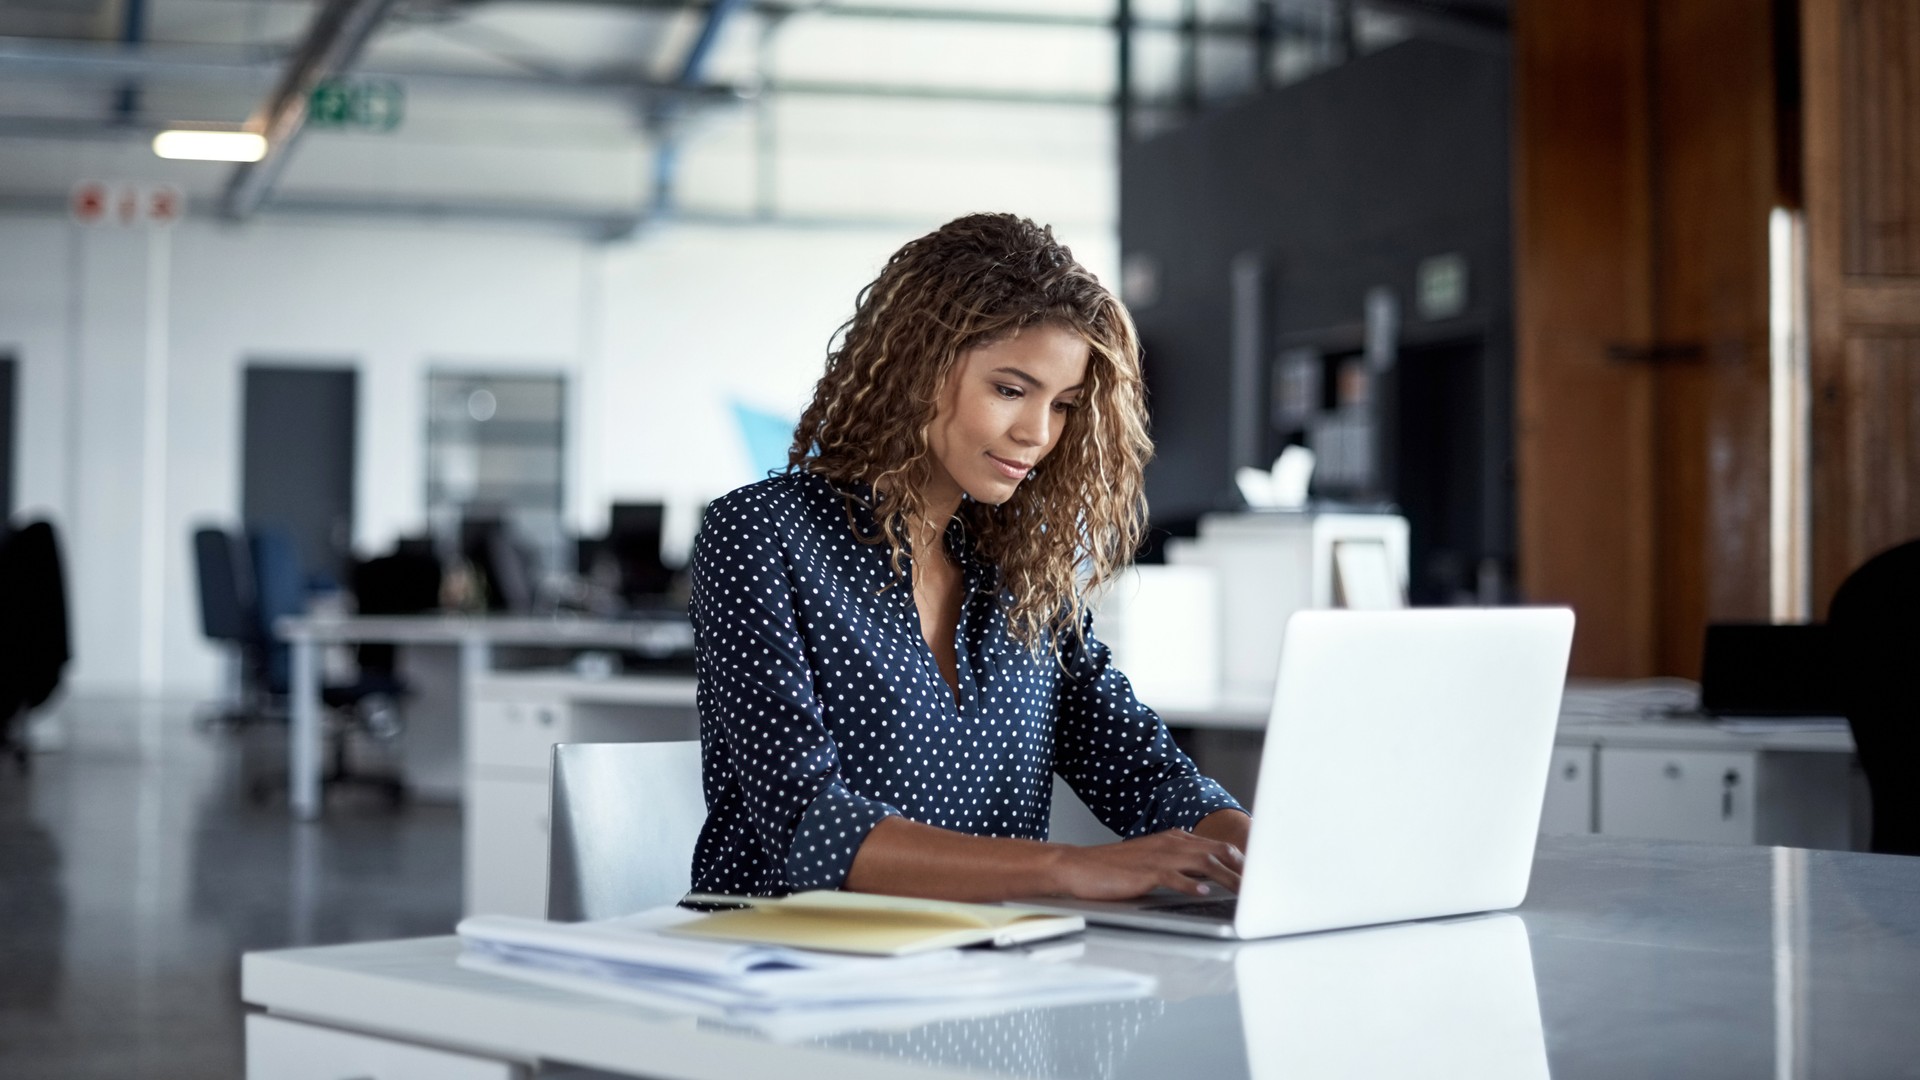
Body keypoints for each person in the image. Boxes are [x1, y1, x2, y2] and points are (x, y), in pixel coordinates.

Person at [689, 212, 1251, 902]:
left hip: (990, 979)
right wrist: (1070, 867)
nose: (1037, 434)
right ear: (913, 368)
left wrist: (1263, 854)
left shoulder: (1019, 568)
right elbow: (810, 826)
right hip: (791, 972)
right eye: (1010, 390)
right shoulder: (760, 534)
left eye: (1065, 405)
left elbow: (1142, 771)